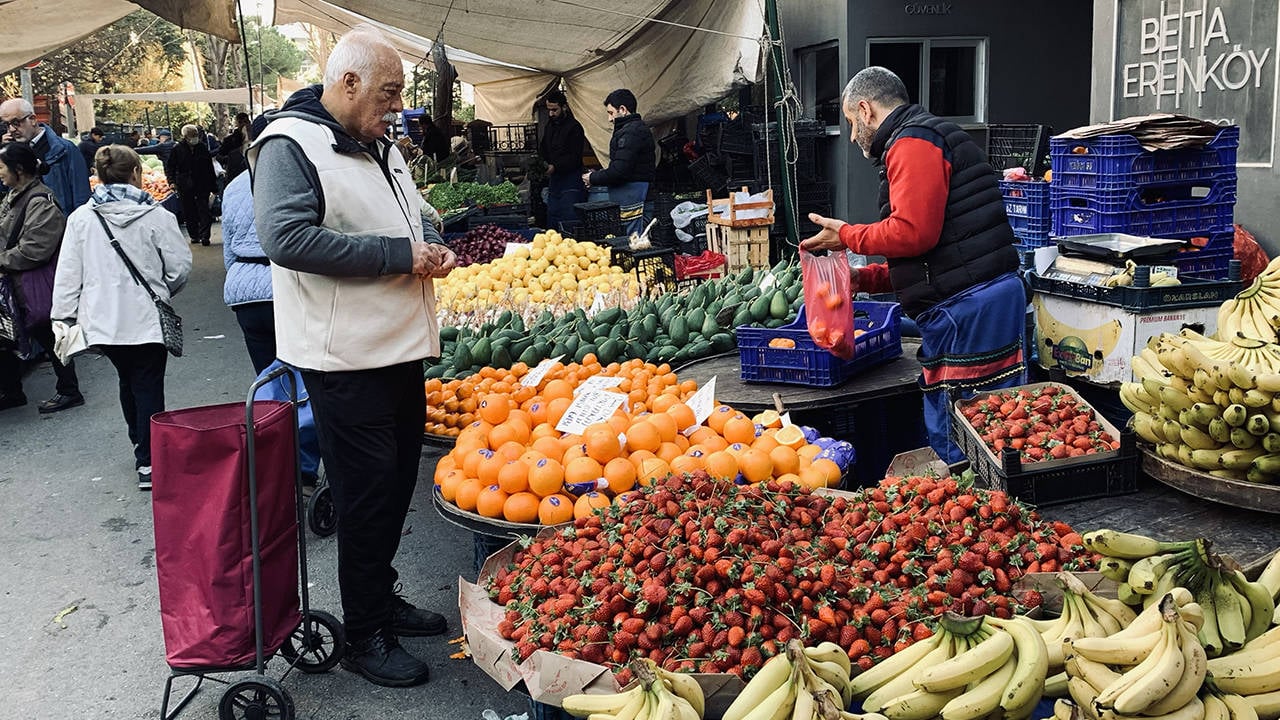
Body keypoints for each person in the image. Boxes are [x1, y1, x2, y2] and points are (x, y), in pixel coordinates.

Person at [248, 24, 457, 688]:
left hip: (396, 349)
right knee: (367, 496)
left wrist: (428, 235)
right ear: (347, 83)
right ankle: (363, 635)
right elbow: (286, 238)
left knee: (394, 489)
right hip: (344, 360)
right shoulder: (291, 145)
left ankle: (380, 598)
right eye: (389, 94)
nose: (396, 106)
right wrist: (400, 255)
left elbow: (414, 209)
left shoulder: (378, 144)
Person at [800, 66, 1025, 464]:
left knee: (963, 427)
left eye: (851, 123)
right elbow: (937, 251)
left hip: (968, 307)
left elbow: (913, 233)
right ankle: (991, 503)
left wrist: (848, 236)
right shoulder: (927, 137)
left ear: (866, 110)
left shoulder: (913, 141)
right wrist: (863, 278)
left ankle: (981, 509)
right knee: (994, 424)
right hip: (979, 297)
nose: (852, 136)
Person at [51, 144, 191, 490]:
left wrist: (63, 317)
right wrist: (162, 290)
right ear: (135, 174)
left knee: (128, 381)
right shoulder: (158, 217)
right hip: (147, 318)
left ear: (98, 176)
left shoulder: (82, 219)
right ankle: (149, 460)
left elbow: (69, 271)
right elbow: (179, 268)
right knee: (148, 385)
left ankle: (140, 446)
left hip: (102, 321)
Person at [0, 143, 83, 412]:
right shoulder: (14, 196)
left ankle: (69, 390)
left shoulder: (41, 201)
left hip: (33, 282)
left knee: (48, 334)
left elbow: (35, 250)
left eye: (2, 167)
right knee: (8, 336)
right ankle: (13, 391)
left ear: (19, 170)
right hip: (17, 281)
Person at [223, 116, 274, 374]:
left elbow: (229, 249)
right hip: (284, 287)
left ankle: (271, 414)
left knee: (267, 379)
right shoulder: (299, 173)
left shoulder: (234, 186)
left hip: (245, 292)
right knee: (308, 382)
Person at [583, 88, 655, 237]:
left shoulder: (631, 132)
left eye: (611, 113)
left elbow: (620, 170)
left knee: (633, 239)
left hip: (633, 194)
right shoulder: (630, 130)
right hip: (630, 194)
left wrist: (592, 178)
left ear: (622, 110)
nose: (609, 119)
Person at [0, 99, 91, 215]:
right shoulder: (9, 152)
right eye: (7, 125)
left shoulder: (65, 149)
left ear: (32, 119)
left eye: (16, 122)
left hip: (59, 225)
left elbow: (81, 196)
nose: (12, 129)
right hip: (25, 226)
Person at [539, 90, 586, 233]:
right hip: (555, 181)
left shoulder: (575, 127)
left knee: (569, 218)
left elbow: (575, 156)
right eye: (549, 110)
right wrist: (542, 163)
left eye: (555, 110)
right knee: (553, 216)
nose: (551, 114)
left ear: (564, 107)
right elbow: (544, 148)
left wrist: (555, 166)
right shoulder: (550, 126)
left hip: (571, 179)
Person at [167, 124, 217, 246]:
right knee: (189, 211)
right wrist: (172, 181)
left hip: (202, 183)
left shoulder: (202, 148)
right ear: (185, 137)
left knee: (204, 210)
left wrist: (213, 186)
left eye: (196, 135)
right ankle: (194, 235)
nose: (194, 138)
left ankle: (205, 236)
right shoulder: (177, 149)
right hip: (185, 184)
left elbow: (209, 167)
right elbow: (171, 167)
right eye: (192, 136)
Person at [218, 112, 251, 183]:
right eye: (240, 122)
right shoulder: (229, 140)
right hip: (234, 174)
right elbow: (219, 156)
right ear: (237, 123)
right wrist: (230, 158)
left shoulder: (254, 136)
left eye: (245, 121)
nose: (243, 124)